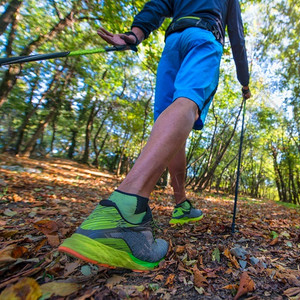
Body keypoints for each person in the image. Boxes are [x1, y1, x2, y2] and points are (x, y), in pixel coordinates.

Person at [58, 0, 251, 271]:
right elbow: (237, 36)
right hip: (202, 36)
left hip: (173, 43)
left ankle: (181, 203)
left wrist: (136, 34)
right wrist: (244, 81)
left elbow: (158, 4)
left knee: (169, 120)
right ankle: (125, 210)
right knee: (188, 103)